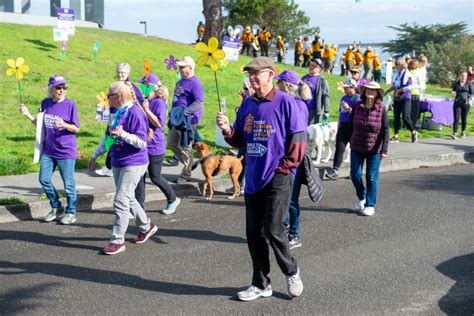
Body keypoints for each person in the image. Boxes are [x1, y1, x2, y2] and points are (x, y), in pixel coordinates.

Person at [216, 57, 305, 301]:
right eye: (249, 74)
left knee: (274, 230)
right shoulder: (247, 105)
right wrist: (227, 129)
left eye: (257, 73)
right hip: (254, 177)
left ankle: (291, 271)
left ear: (270, 75)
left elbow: (298, 139)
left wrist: (285, 168)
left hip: (278, 175)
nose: (252, 78)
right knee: (254, 233)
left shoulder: (285, 102)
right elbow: (239, 140)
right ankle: (261, 284)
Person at [102, 81, 157, 255]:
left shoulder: (135, 113)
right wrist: (96, 154)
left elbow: (142, 142)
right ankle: (147, 226)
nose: (106, 98)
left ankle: (117, 241)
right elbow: (108, 137)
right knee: (128, 198)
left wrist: (123, 134)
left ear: (118, 97)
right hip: (119, 160)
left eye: (108, 95)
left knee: (120, 200)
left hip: (134, 162)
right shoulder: (117, 112)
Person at [20, 75, 80, 225]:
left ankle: (71, 212)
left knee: (69, 184)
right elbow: (39, 125)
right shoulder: (45, 103)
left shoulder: (70, 105)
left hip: (66, 151)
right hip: (49, 150)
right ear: (51, 89)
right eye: (58, 88)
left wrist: (65, 125)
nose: (61, 91)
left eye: (64, 88)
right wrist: (27, 114)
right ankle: (56, 207)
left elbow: (76, 128)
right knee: (44, 179)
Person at [273, 70, 312, 250]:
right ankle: (285, 224)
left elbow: (296, 135)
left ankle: (295, 235)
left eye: (278, 82)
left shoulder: (297, 105)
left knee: (291, 199)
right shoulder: (286, 101)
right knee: (284, 197)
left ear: (286, 86)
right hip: (281, 156)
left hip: (292, 159)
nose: (275, 85)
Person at [137, 83, 182, 214]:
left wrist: (147, 110)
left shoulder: (159, 103)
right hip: (144, 144)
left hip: (155, 146)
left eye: (146, 86)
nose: (143, 88)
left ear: (154, 90)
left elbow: (159, 123)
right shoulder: (147, 101)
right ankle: (139, 207)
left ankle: (173, 199)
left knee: (155, 176)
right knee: (140, 176)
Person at [96, 63, 144, 177]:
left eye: (122, 72)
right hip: (114, 114)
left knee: (116, 138)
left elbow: (139, 103)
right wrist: (103, 112)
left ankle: (109, 166)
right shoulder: (116, 85)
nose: (120, 74)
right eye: (118, 72)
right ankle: (109, 165)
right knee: (110, 138)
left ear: (128, 73)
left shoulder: (131, 87)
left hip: (125, 117)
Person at [349, 81, 389, 217]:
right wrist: (348, 141)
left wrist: (384, 150)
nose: (370, 92)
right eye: (368, 90)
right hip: (357, 146)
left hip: (374, 149)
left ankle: (370, 205)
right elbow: (350, 125)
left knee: (372, 177)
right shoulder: (357, 106)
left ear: (377, 93)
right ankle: (362, 197)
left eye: (373, 90)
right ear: (364, 92)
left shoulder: (381, 109)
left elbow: (386, 130)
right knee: (355, 174)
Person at [168, 56, 204, 183]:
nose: (180, 69)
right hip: (176, 118)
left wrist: (185, 113)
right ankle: (189, 163)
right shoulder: (180, 81)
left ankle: (186, 174)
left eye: (182, 67)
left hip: (188, 120)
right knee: (171, 143)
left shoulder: (195, 83)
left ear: (190, 67)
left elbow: (199, 102)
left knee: (186, 146)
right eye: (180, 67)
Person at [326, 79, 361, 180]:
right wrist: (338, 125)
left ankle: (354, 172)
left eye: (346, 87)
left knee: (354, 150)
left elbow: (358, 114)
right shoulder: (343, 97)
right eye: (344, 87)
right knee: (340, 148)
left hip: (353, 127)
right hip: (343, 126)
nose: (344, 89)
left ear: (352, 87)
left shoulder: (357, 98)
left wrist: (349, 109)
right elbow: (340, 113)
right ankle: (335, 171)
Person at [386, 58, 418, 143]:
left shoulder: (407, 74)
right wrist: (387, 91)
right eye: (396, 64)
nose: (396, 66)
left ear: (402, 65)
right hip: (397, 99)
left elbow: (410, 86)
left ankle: (413, 132)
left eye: (398, 64)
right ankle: (396, 136)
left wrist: (400, 91)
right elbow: (395, 85)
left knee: (406, 117)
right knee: (396, 117)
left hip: (405, 98)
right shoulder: (397, 74)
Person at [302, 58, 330, 124]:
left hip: (313, 110)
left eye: (314, 66)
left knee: (310, 131)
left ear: (319, 69)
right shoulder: (304, 78)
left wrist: (326, 111)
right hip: (302, 108)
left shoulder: (322, 80)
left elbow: (325, 96)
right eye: (311, 65)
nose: (311, 67)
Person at [451, 70, 472, 139]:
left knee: (464, 119)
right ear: (460, 76)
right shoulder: (456, 84)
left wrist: (469, 98)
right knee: (456, 118)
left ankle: (463, 132)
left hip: (466, 104)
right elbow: (453, 91)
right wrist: (453, 93)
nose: (464, 77)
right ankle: (454, 133)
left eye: (465, 76)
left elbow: (472, 93)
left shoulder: (468, 83)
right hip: (457, 103)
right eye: (462, 76)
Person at [408, 60, 423, 129]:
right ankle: (408, 125)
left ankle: (412, 126)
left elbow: (421, 85)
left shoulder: (418, 73)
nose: (413, 65)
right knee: (409, 111)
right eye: (412, 64)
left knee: (415, 112)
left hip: (416, 94)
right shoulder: (408, 72)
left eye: (414, 64)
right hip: (408, 94)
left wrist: (421, 94)